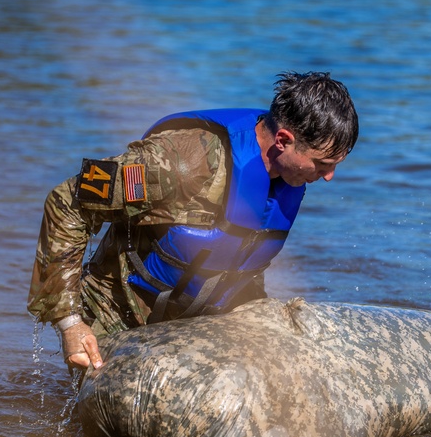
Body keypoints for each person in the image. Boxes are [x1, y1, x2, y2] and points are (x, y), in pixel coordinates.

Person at [28, 71, 359, 372]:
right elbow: (67, 202)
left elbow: (240, 259)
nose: (329, 176)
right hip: (117, 320)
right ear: (284, 141)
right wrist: (70, 322)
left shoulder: (286, 179)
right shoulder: (183, 161)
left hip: (191, 326)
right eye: (322, 163)